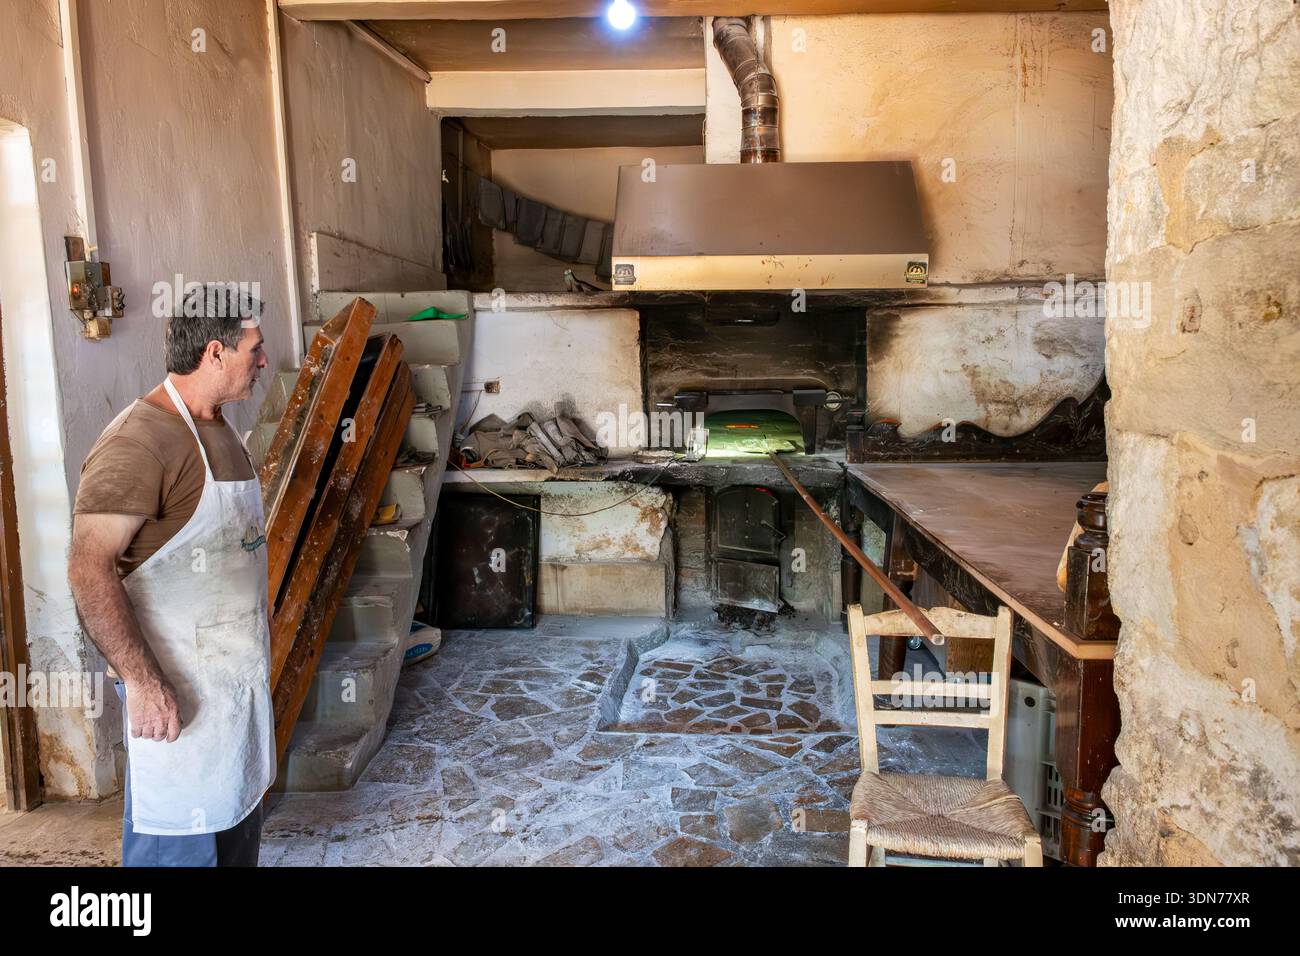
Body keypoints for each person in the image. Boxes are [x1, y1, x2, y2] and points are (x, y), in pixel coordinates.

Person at [68, 283, 273, 867]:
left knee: (234, 841)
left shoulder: (220, 428)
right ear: (214, 352)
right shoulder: (140, 440)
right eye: (254, 348)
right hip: (173, 701)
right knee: (176, 853)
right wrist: (140, 682)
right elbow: (89, 569)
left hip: (231, 691)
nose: (263, 359)